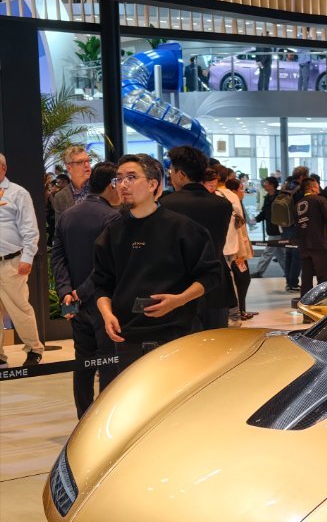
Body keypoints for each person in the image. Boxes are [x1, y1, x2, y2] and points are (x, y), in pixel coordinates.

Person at [93, 153, 222, 386]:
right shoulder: (112, 232)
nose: (123, 184)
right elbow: (102, 282)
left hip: (175, 333)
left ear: (153, 184)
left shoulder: (183, 228)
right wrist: (107, 314)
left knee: (175, 398)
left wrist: (179, 299)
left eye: (131, 177)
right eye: (118, 179)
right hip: (127, 335)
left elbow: (211, 275)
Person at [52, 162, 119, 415]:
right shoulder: (112, 217)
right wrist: (81, 291)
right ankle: (103, 419)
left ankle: (83, 417)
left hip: (75, 304)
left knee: (83, 362)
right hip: (104, 302)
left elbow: (57, 257)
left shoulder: (68, 215)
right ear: (111, 185)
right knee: (109, 362)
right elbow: (106, 265)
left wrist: (66, 292)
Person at [160, 146, 234, 328]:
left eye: (172, 171)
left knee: (184, 342)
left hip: (179, 287)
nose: (170, 176)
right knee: (217, 340)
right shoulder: (223, 205)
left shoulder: (165, 205)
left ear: (181, 174)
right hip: (217, 283)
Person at [0, 152, 45, 369]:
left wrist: (27, 258)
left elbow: (30, 230)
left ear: (3, 168)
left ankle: (34, 349)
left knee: (19, 309)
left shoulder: (18, 193)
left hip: (12, 262)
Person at [225, 173, 256, 318]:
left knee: (243, 279)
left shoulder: (237, 203)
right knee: (242, 279)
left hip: (238, 248)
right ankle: (238, 311)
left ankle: (241, 310)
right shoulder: (231, 203)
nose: (243, 192)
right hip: (234, 249)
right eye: (241, 189)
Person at [50, 144, 94, 219]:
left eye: (88, 161)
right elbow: (60, 225)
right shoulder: (60, 197)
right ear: (69, 168)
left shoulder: (102, 188)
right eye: (80, 162)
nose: (87, 165)